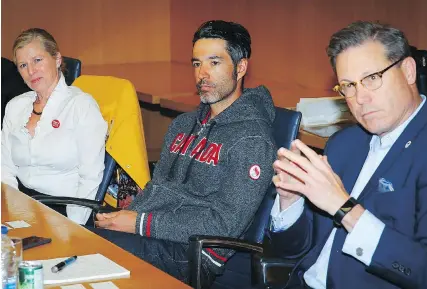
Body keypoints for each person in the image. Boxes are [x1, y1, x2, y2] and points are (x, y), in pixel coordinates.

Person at [90, 20, 277, 286]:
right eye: (196, 64)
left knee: (89, 249)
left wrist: (139, 223)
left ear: (241, 67)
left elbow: (225, 224)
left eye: (214, 63)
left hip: (194, 254)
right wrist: (123, 218)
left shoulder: (253, 140)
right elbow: (158, 188)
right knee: (81, 240)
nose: (202, 74)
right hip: (154, 236)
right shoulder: (183, 125)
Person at [269, 21, 427, 289]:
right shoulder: (343, 143)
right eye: (348, 85)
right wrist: (290, 203)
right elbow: (291, 252)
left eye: (372, 78)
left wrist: (345, 208)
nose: (360, 98)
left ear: (408, 71)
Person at [1, 28, 107, 225]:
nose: (31, 71)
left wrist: (75, 228)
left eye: (37, 60)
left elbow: (90, 178)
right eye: (23, 65)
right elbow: (5, 169)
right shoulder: (15, 106)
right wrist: (11, 213)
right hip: (20, 205)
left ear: (57, 59)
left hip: (64, 210)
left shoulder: (81, 106)